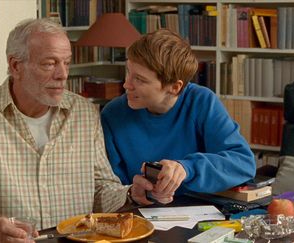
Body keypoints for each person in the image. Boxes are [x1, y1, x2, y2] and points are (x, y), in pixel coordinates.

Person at [0, 18, 162, 243]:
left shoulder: (84, 112)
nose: (62, 75)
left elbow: (101, 187)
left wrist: (131, 194)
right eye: (49, 64)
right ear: (15, 66)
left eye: (66, 63)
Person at [101, 29, 256, 199]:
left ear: (175, 87)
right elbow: (111, 187)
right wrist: (136, 191)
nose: (126, 85)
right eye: (128, 72)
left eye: (140, 79)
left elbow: (243, 164)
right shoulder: (112, 114)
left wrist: (186, 168)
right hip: (140, 214)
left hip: (201, 210)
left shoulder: (202, 101)